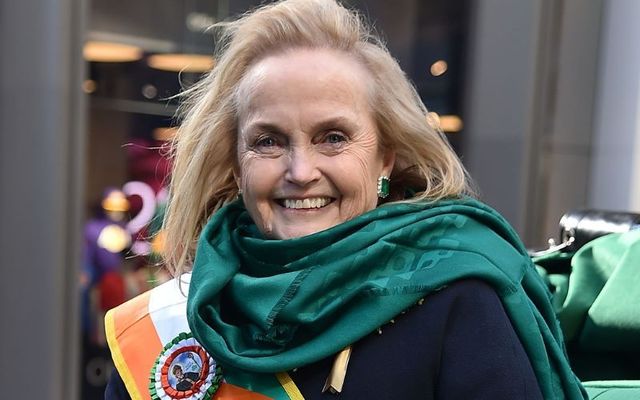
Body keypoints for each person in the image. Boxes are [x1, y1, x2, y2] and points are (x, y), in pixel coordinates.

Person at [104, 0, 587, 399]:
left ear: (385, 159)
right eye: (268, 141)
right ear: (235, 162)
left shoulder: (460, 298)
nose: (300, 172)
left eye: (333, 137)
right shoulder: (171, 326)